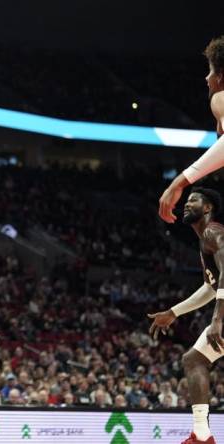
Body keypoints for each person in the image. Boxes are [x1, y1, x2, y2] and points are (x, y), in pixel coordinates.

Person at [148, 188, 224, 444]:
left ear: (207, 208)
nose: (187, 204)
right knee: (194, 360)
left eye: (193, 201)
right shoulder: (205, 239)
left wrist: (217, 320)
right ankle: (201, 435)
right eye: (186, 200)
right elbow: (210, 287)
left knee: (194, 360)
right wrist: (174, 312)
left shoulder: (214, 232)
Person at [159, 36, 224, 223]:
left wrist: (179, 182)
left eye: (210, 70)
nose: (207, 77)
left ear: (220, 76)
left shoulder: (220, 97)